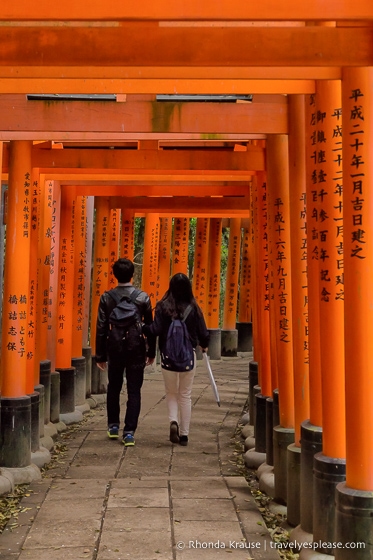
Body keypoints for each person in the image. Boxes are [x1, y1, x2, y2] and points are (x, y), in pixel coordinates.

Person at [143, 273, 209, 446]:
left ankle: (173, 422)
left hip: (167, 357)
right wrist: (204, 344)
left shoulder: (163, 306)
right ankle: (185, 435)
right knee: (185, 395)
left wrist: (142, 326)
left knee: (171, 393)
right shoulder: (194, 308)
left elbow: (154, 330)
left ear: (170, 287)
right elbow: (204, 333)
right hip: (188, 357)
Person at [95, 258, 156, 446]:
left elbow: (101, 327)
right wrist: (151, 352)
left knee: (113, 387)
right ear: (133, 275)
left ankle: (113, 425)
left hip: (114, 348)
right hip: (136, 348)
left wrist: (100, 355)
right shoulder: (143, 297)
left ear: (114, 275)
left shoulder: (107, 298)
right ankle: (129, 432)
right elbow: (149, 327)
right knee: (134, 390)